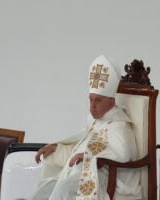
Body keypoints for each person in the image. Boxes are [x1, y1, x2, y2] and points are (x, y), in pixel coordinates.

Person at [29, 55, 142, 200]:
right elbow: (77, 150)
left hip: (105, 179)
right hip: (82, 172)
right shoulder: (96, 122)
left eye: (98, 100)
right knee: (45, 189)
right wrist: (56, 148)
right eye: (90, 99)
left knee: (64, 188)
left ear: (111, 102)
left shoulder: (119, 126)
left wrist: (90, 157)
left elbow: (123, 155)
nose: (92, 106)